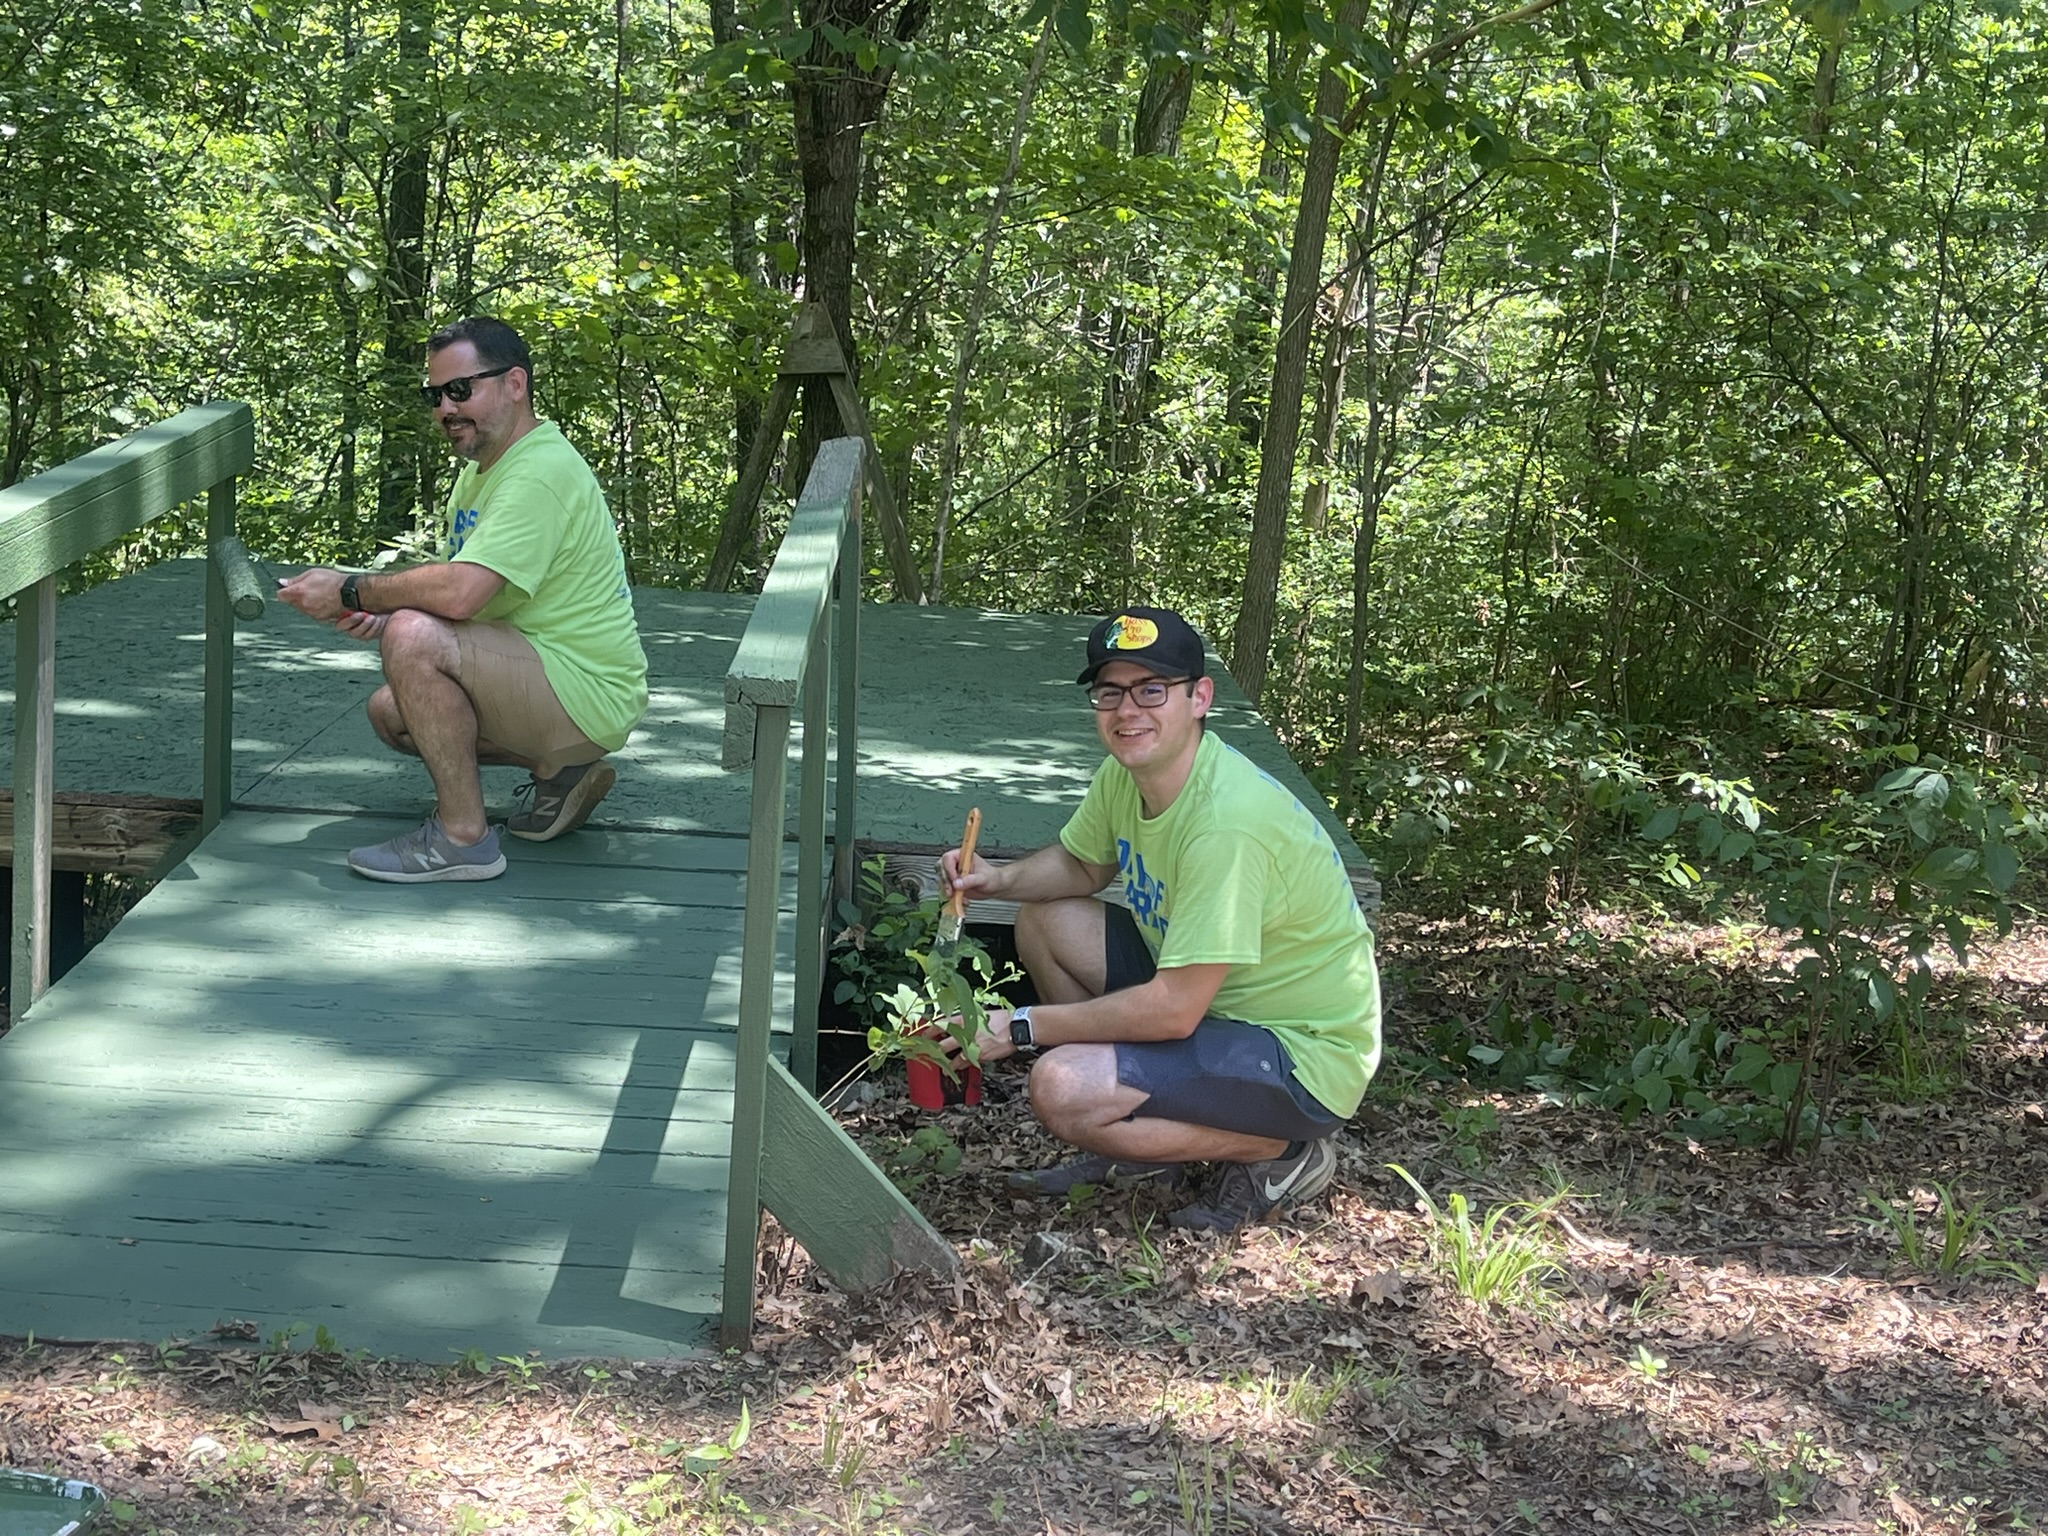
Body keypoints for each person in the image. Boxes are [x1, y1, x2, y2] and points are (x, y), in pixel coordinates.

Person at [941, 607, 1380, 1233]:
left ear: (1199, 698)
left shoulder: (1227, 822)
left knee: (1061, 1086)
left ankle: (1283, 1152)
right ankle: (1140, 1153)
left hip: (1300, 1056)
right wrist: (997, 880)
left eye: (1152, 690)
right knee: (1042, 920)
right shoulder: (1131, 775)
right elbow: (1082, 865)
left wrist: (1020, 1026)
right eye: (1110, 692)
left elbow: (1174, 1010)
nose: (1128, 711)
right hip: (1216, 1009)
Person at [278, 316, 648, 882]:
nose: (445, 408)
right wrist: (378, 620)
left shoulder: (539, 472)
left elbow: (461, 591)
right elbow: (481, 598)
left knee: (411, 634)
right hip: (546, 673)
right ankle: (558, 770)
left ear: (515, 384)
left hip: (585, 688)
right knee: (392, 713)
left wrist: (354, 590)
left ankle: (462, 839)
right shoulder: (482, 469)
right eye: (435, 395)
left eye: (460, 389)